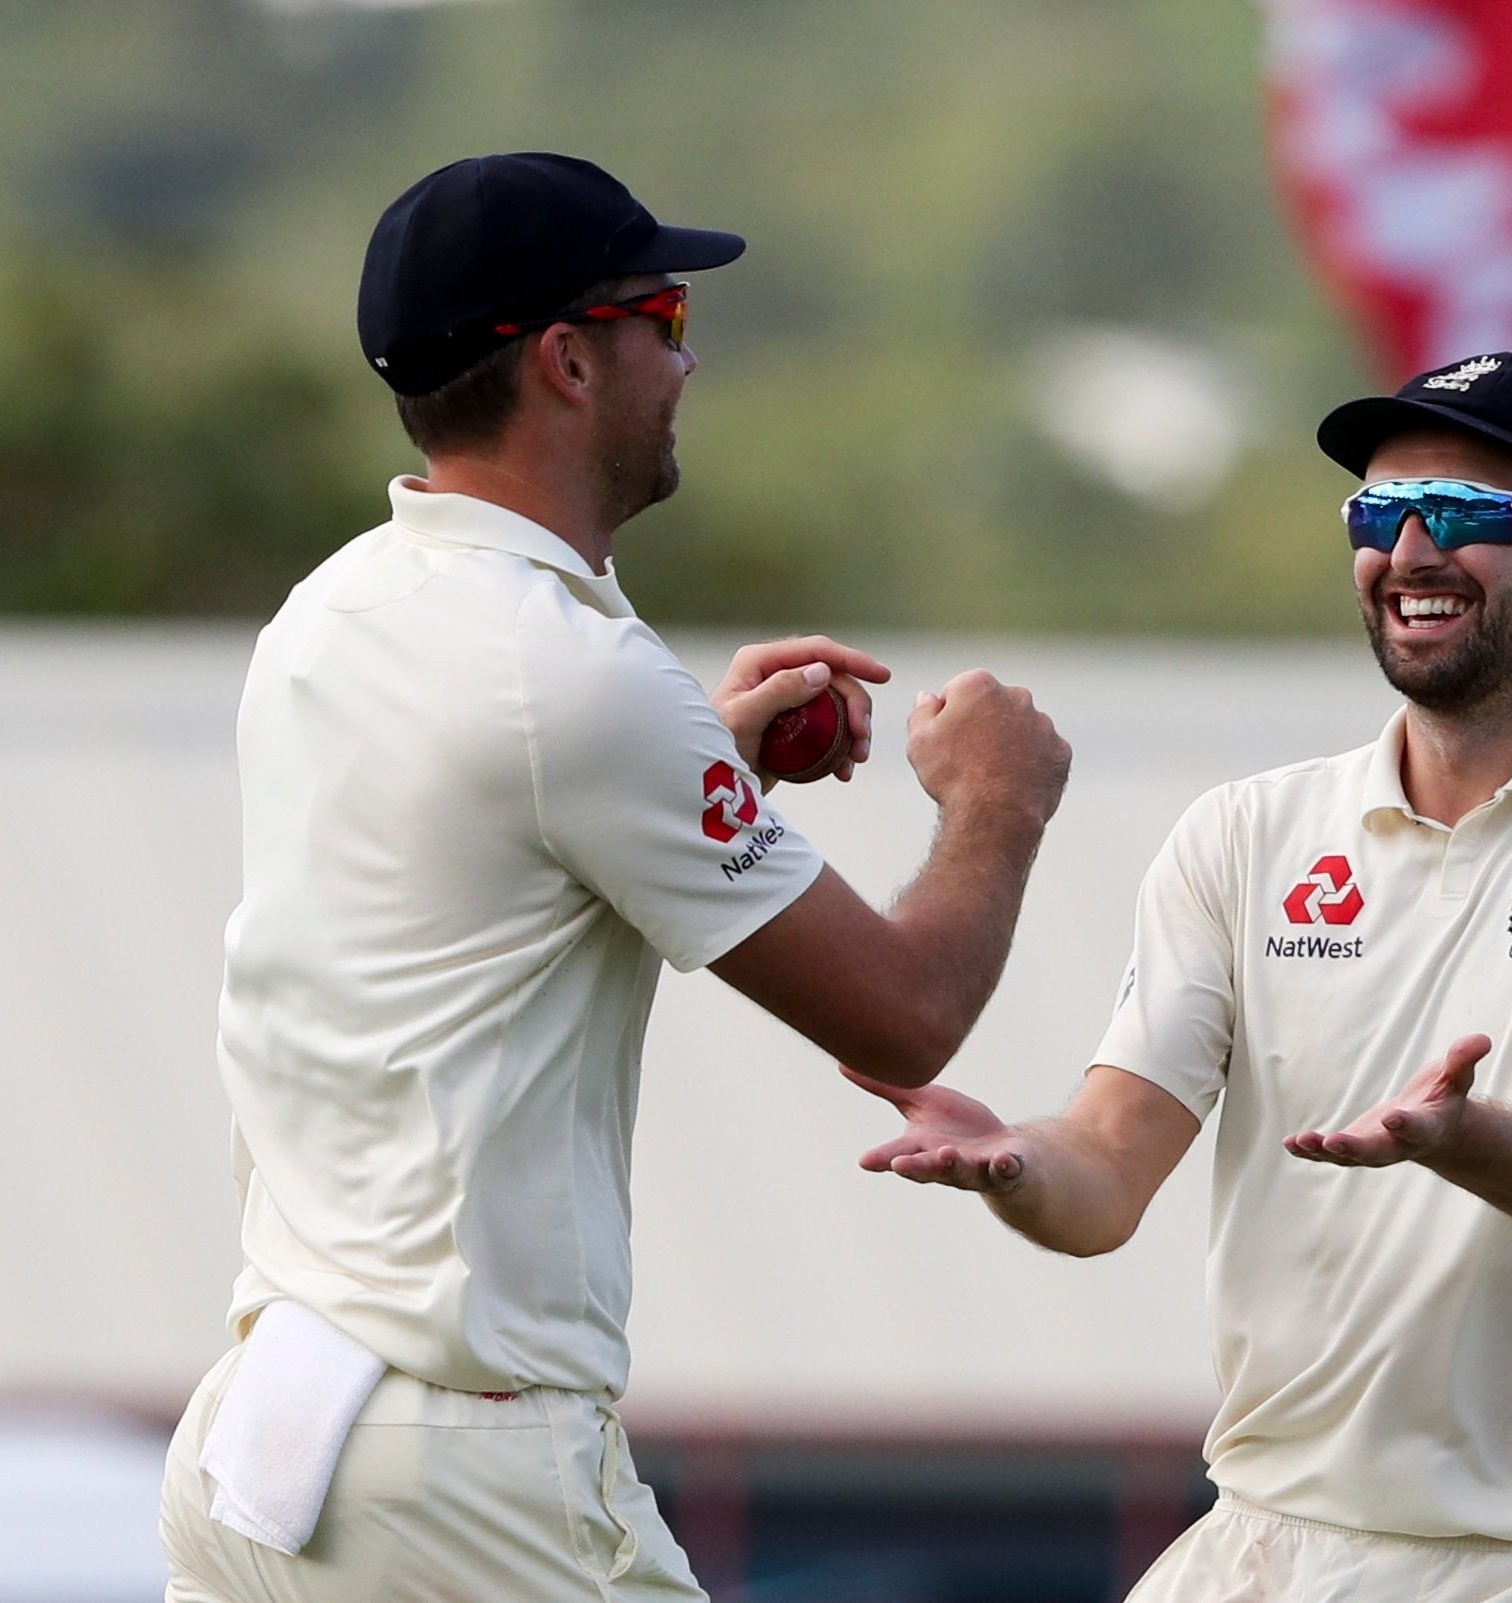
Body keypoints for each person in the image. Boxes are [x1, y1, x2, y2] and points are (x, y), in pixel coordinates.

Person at [158, 152, 1072, 1603]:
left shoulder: (333, 610)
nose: (686, 357)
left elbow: (477, 852)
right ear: (570, 360)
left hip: (270, 1433)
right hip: (463, 1458)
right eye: (664, 312)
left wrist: (697, 762)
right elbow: (906, 1016)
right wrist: (997, 803)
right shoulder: (571, 676)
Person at [854, 352, 1512, 1602]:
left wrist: (1456, 1139)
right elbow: (1105, 1178)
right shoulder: (1244, 831)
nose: (1409, 549)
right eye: (1376, 513)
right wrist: (1014, 1164)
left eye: (1464, 514)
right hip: (1255, 1546)